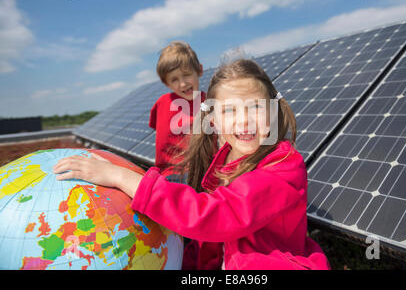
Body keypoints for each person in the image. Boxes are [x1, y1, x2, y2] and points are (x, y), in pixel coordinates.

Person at [53, 59, 330, 270]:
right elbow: (209, 234)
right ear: (214, 120)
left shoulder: (282, 166)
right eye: (230, 110)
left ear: (273, 111)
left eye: (255, 107)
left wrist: (122, 178)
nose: (244, 121)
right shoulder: (226, 154)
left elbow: (217, 215)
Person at [149, 41, 206, 177]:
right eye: (174, 79)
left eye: (186, 74)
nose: (183, 83)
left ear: (199, 70)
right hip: (167, 173)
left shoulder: (210, 103)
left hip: (199, 172)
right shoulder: (161, 103)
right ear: (166, 83)